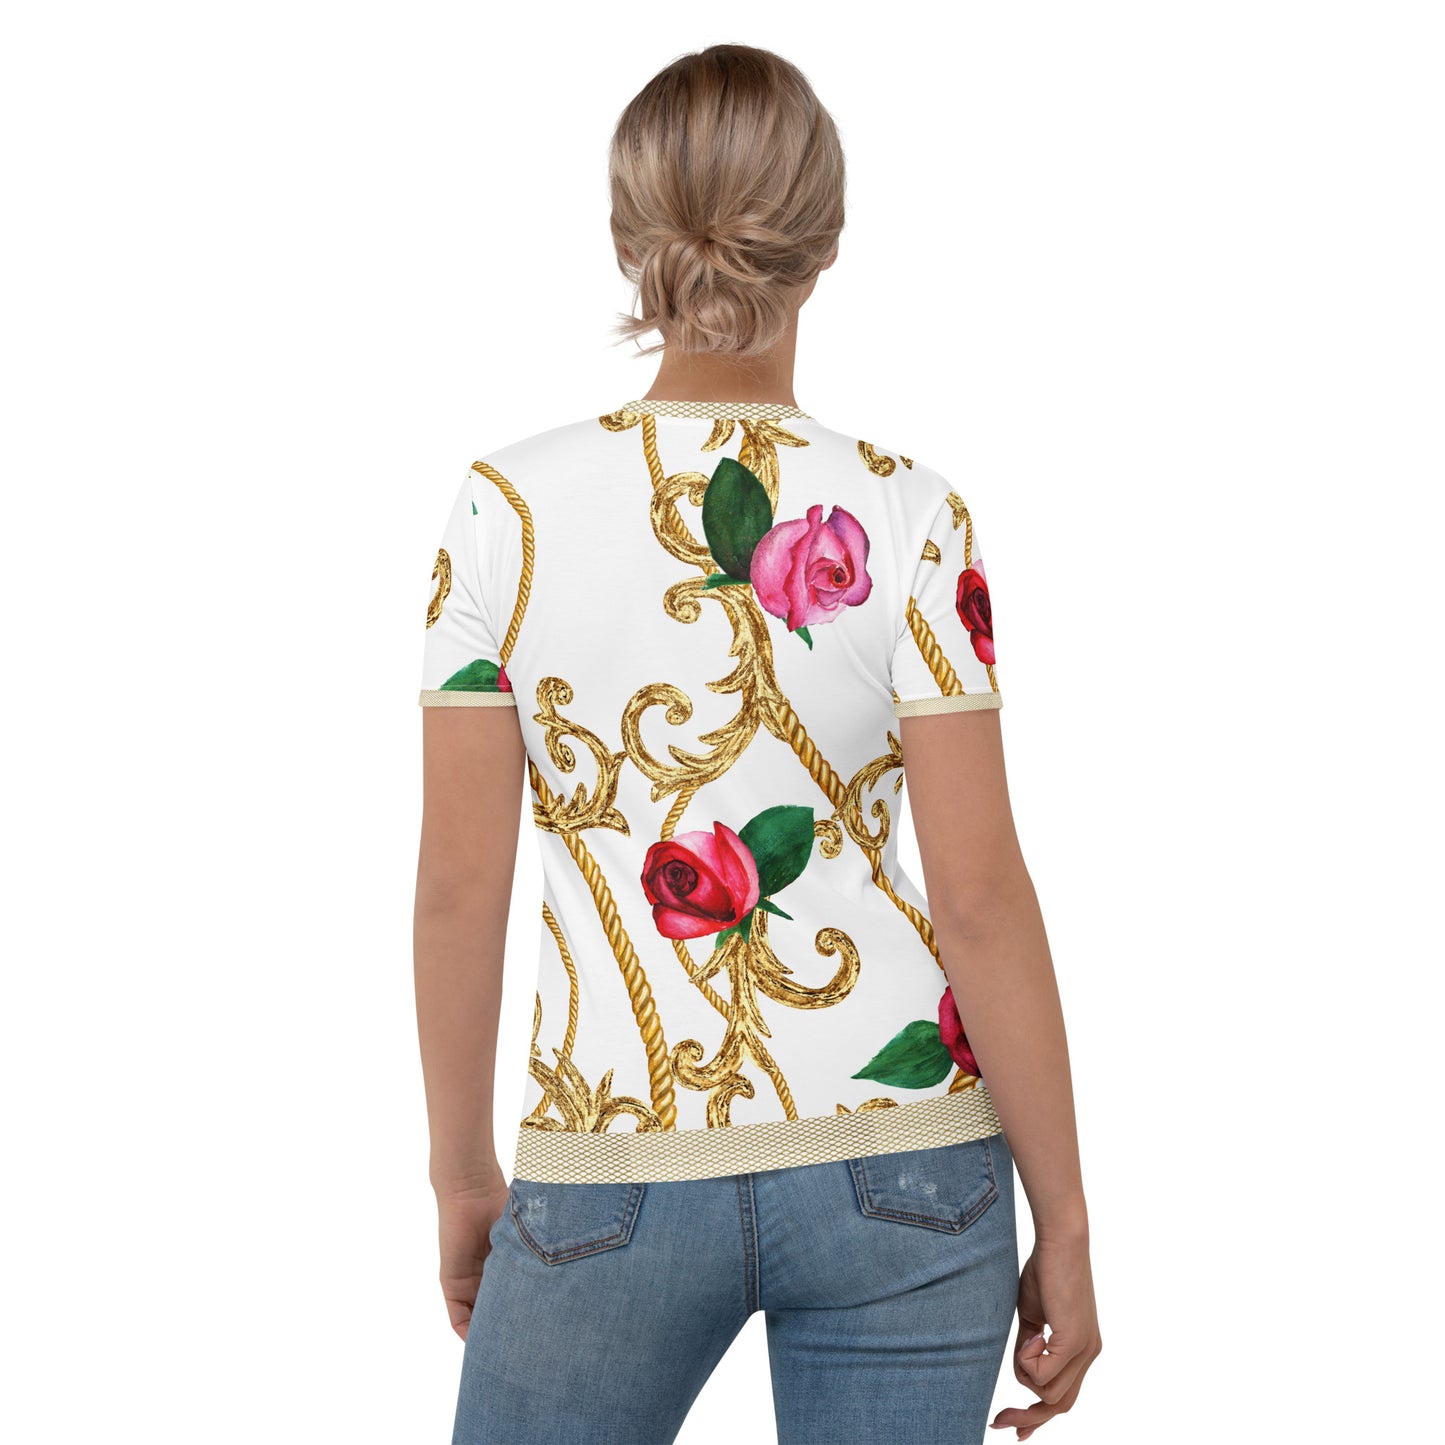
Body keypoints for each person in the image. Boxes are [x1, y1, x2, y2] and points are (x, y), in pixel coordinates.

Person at [413, 42, 1100, 1445]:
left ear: (629, 238)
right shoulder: (908, 511)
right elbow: (977, 896)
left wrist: (462, 1175)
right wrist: (1068, 1217)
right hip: (907, 1167)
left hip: (609, 1155)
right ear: (825, 241)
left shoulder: (503, 512)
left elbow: (458, 891)